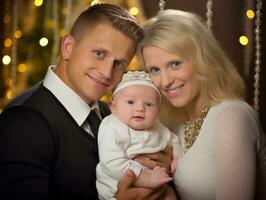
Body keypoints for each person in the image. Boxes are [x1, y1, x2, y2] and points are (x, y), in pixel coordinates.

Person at [0, 3, 172, 200]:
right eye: (99, 54)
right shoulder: (23, 124)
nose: (107, 73)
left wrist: (160, 162)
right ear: (68, 47)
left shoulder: (113, 114)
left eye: (119, 64)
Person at [136, 9, 266, 200]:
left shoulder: (231, 118)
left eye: (175, 64)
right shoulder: (172, 119)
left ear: (202, 58)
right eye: (155, 69)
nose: (165, 81)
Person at [96, 70, 180, 200]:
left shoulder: (157, 127)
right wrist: (147, 178)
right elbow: (111, 163)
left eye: (148, 104)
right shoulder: (112, 127)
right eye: (130, 102)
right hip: (120, 184)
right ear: (113, 107)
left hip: (157, 182)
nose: (140, 108)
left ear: (158, 110)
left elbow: (174, 140)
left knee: (170, 195)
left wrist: (176, 157)